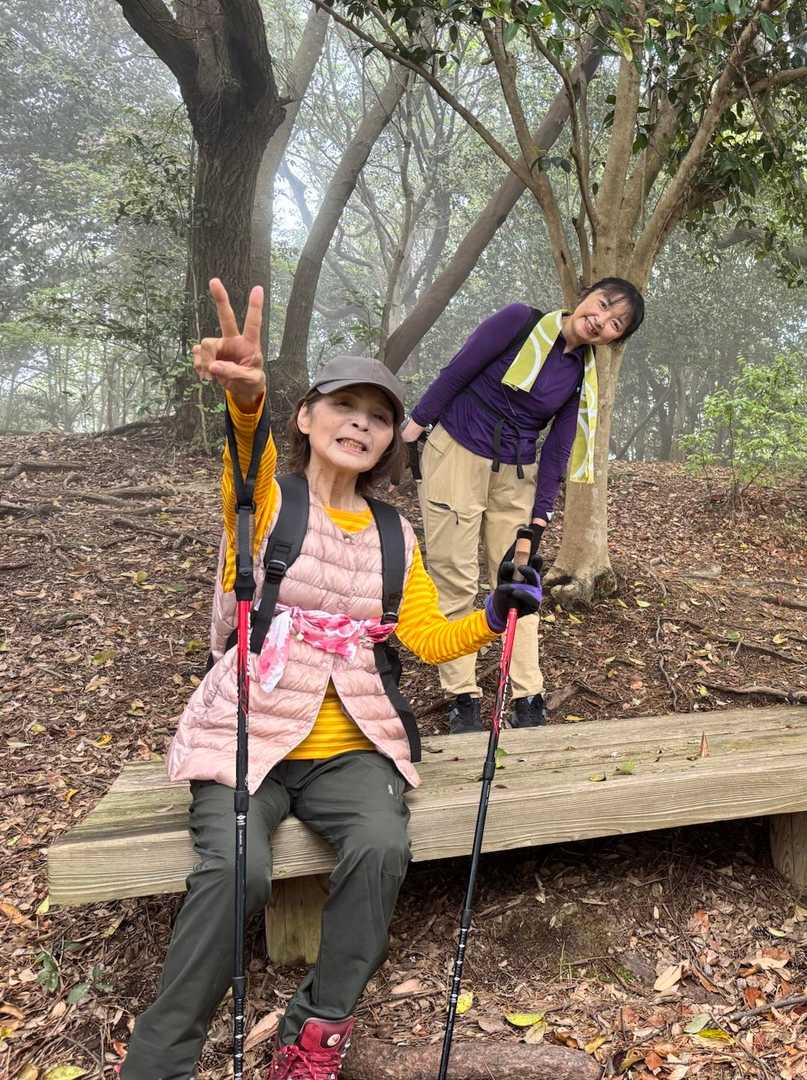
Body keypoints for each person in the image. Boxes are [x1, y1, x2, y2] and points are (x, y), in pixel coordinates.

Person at [121, 279, 542, 1078]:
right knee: (237, 870)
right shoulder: (265, 502)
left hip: (352, 747)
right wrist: (246, 400)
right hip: (247, 735)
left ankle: (315, 1033)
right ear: (307, 418)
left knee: (382, 846)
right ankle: (160, 1060)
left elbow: (425, 637)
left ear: (389, 442)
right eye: (343, 406)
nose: (360, 423)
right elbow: (245, 459)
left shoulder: (394, 532)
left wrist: (494, 613)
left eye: (378, 416)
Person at [401, 280, 645, 732]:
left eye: (616, 324)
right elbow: (457, 371)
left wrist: (540, 513)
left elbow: (559, 447)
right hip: (456, 452)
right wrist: (412, 430)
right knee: (455, 576)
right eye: (603, 305)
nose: (601, 320)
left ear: (615, 339)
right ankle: (462, 696)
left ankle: (527, 694)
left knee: (519, 582)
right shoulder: (519, 321)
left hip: (517, 473)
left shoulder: (581, 376)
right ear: (585, 297)